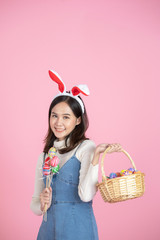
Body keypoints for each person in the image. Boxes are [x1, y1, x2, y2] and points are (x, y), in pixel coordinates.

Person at [30, 70, 121, 240]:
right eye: (54, 116)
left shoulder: (86, 147)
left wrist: (96, 156)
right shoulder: (44, 157)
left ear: (78, 120)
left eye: (66, 117)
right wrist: (42, 203)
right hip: (48, 232)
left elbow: (86, 196)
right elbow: (35, 205)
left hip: (78, 231)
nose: (58, 123)